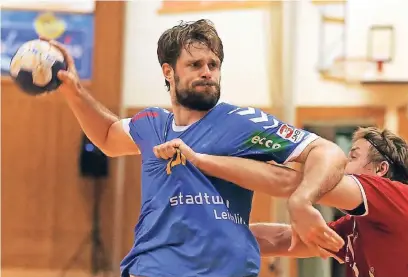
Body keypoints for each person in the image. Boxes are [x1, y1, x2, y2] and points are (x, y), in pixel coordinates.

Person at [46, 19, 346, 277]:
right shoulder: (151, 122)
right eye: (195, 65)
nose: (207, 73)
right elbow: (109, 136)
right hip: (153, 268)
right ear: (168, 72)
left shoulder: (242, 122)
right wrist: (74, 91)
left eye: (213, 65)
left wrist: (302, 201)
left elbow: (328, 152)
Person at [160, 126, 408, 276]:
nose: (340, 165)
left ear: (379, 171)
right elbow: (284, 239)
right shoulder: (354, 230)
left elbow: (291, 182)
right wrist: (205, 236)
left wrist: (202, 160)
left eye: (350, 157)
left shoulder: (398, 200)